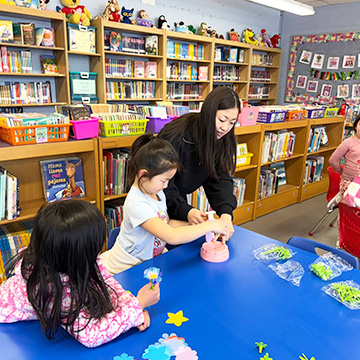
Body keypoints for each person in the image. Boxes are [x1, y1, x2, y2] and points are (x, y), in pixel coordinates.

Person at [0, 200, 160, 348]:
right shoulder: (53, 289)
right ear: (75, 254)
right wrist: (138, 305)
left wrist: (131, 307)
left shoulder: (73, 258)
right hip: (10, 329)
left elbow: (105, 280)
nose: (98, 251)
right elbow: (91, 335)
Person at [100, 134, 228, 274]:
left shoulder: (157, 192)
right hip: (128, 266)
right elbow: (170, 236)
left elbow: (166, 224)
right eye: (163, 180)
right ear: (143, 175)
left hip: (149, 261)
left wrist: (193, 225)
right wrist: (209, 225)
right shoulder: (137, 204)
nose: (167, 186)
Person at [158, 86, 240, 241]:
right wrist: (185, 210)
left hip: (176, 198)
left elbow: (219, 178)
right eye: (222, 120)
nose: (225, 128)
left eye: (232, 122)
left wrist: (226, 214)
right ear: (208, 113)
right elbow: (161, 184)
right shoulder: (176, 136)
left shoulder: (221, 138)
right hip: (158, 198)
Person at [329, 114, 360, 197]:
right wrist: (341, 172)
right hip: (349, 182)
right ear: (355, 126)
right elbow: (333, 160)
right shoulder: (348, 142)